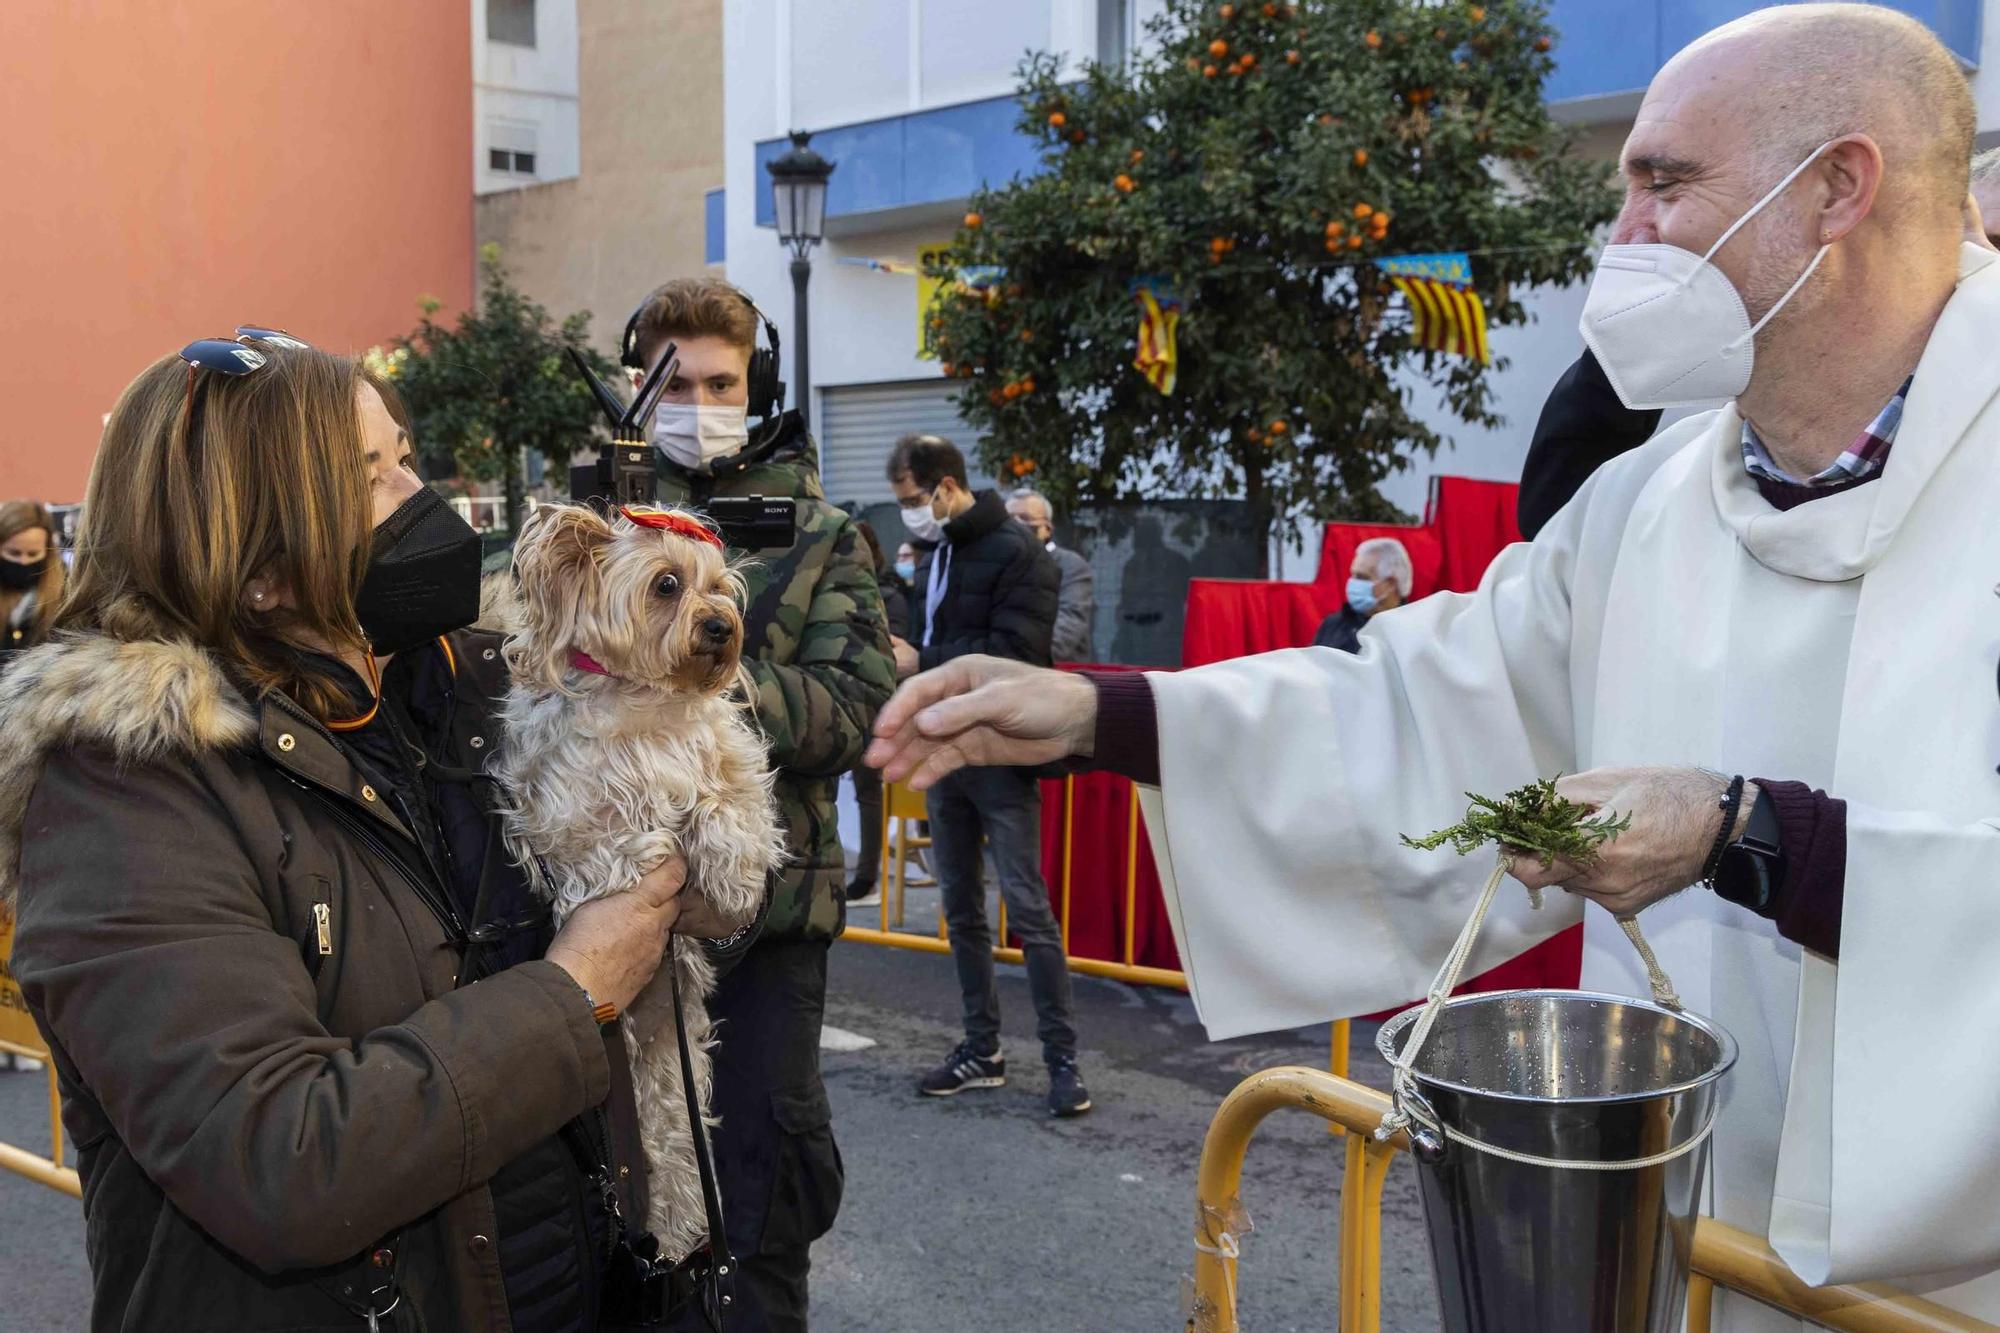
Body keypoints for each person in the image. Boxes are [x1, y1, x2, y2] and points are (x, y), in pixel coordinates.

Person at [870, 7, 2000, 1325]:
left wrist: (1748, 835)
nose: (1622, 238)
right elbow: (1421, 710)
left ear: (1839, 190)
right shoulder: (1650, 503)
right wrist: (1096, 714)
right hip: (1695, 1268)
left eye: (1664, 184)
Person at [0, 335, 750, 1329]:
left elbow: (689, 854)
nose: (421, 495)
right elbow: (279, 1158)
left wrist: (703, 876)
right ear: (252, 556)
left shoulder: (480, 685)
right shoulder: (126, 790)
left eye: (405, 454)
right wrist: (573, 993)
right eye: (371, 475)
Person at [631, 276, 896, 1331]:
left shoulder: (821, 534)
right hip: (602, 915)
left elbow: (857, 706)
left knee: (755, 1206)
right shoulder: (596, 528)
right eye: (676, 382)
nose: (698, 399)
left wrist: (699, 660)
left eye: (721, 381)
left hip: (765, 923)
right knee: (621, 1205)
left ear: (759, 385)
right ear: (638, 388)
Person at [886, 434, 1089, 1117]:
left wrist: (922, 659)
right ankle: (983, 1048)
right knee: (963, 910)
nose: (910, 514)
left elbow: (1018, 654)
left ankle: (1063, 1059)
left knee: (1027, 908)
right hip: (944, 750)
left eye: (914, 499)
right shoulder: (937, 552)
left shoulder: (1019, 553)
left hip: (1001, 754)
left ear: (946, 487)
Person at [845, 518, 908, 906]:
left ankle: (868, 876)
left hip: (879, 704)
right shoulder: (838, 589)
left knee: (869, 793)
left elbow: (894, 652)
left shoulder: (889, 595)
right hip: (850, 698)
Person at [1006, 487, 1096, 662]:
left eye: (1025, 518)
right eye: (1009, 519)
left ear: (1046, 528)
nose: (1016, 526)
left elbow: (1068, 629)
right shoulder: (1002, 565)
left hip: (1059, 676)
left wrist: (1017, 661)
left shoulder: (1071, 566)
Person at [1311, 536, 1412, 653]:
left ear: (1390, 584)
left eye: (1362, 577)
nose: (1352, 583)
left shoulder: (1411, 632)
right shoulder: (1333, 625)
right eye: (1353, 575)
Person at [0, 501, 63, 664]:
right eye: (13, 553)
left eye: (33, 554)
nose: (23, 561)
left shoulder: (65, 595)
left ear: (47, 552)